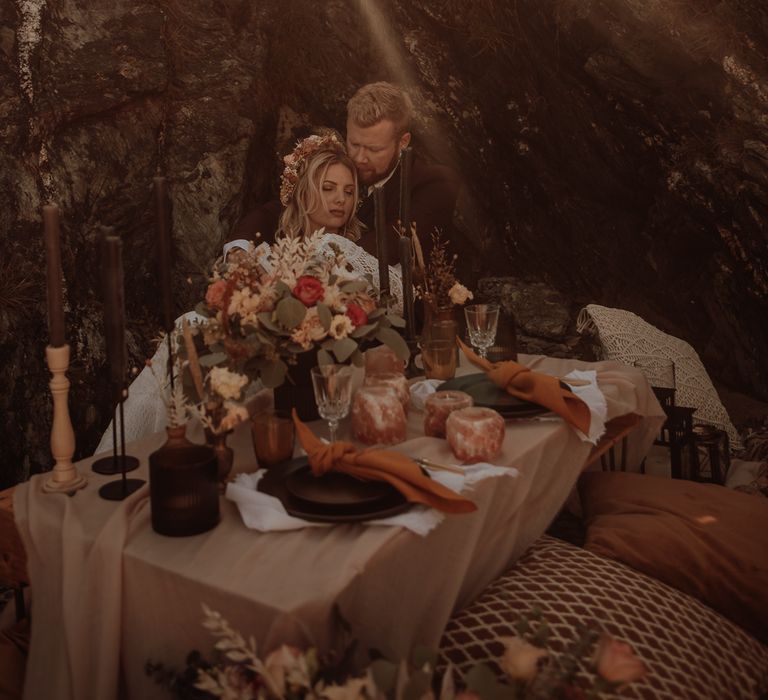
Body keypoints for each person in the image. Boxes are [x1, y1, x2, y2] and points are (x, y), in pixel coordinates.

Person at [229, 82, 462, 264]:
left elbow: (392, 241)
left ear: (403, 142)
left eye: (374, 149)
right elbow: (284, 205)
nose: (359, 158)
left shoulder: (435, 183)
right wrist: (241, 247)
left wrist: (307, 267)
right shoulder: (343, 167)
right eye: (354, 143)